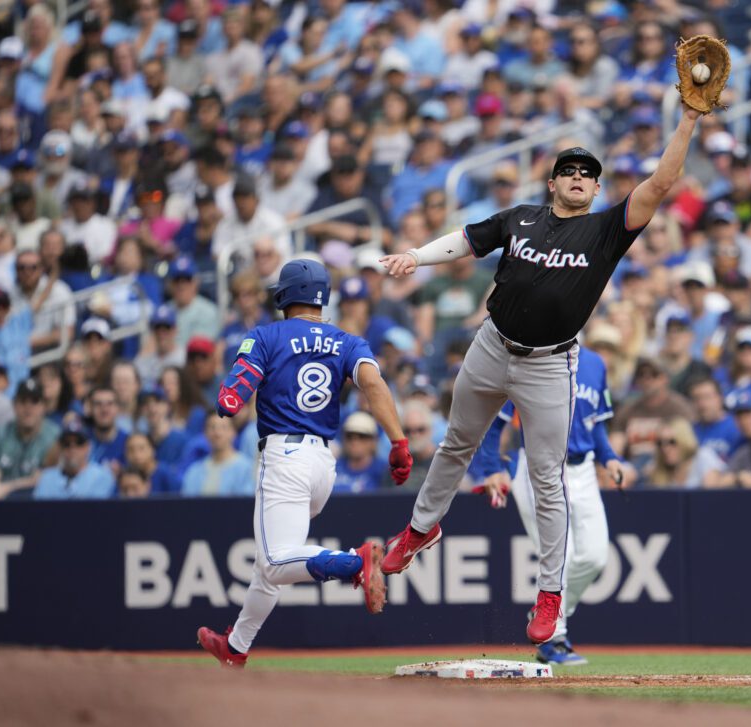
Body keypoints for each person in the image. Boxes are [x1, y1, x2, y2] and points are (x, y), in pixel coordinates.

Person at [379, 100, 703, 646]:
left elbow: (661, 183)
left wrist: (689, 119)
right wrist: (417, 254)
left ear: (598, 190)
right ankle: (419, 530)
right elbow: (466, 239)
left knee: (546, 479)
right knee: (456, 444)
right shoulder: (521, 218)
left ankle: (550, 595)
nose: (580, 177)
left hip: (550, 364)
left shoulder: (606, 231)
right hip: (489, 345)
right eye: (570, 171)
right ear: (553, 182)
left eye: (589, 174)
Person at [197, 258, 410, 668]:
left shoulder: (266, 334)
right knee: (268, 566)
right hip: (322, 465)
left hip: (284, 458)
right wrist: (398, 440)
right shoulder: (349, 341)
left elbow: (238, 384)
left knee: (276, 562)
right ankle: (236, 646)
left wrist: (230, 399)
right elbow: (373, 384)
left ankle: (355, 562)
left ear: (283, 294)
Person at [478, 346, 625, 665]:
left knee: (596, 557)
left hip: (583, 470)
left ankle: (544, 614)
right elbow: (495, 421)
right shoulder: (528, 359)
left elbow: (595, 423)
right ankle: (552, 637)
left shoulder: (595, 362)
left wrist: (609, 457)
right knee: (565, 555)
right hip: (539, 466)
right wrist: (490, 467)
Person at [0, 378, 60, 500]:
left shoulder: (55, 436)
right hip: (1, 506)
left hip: (40, 505)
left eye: (34, 401)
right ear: (14, 404)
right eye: (23, 401)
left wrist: (8, 487)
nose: (28, 408)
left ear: (43, 406)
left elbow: (45, 480)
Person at [34, 418, 116, 499]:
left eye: (79, 443)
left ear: (88, 447)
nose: (72, 448)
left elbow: (96, 511)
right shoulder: (47, 478)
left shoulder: (102, 476)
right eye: (66, 444)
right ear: (60, 448)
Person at [639, 417, 726, 488]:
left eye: (672, 442)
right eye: (660, 443)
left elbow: (710, 495)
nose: (665, 448)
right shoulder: (657, 467)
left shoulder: (703, 457)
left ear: (684, 441)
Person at [334, 411, 386, 494]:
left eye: (362, 436)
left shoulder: (383, 471)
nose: (355, 441)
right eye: (349, 436)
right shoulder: (333, 468)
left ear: (374, 440)